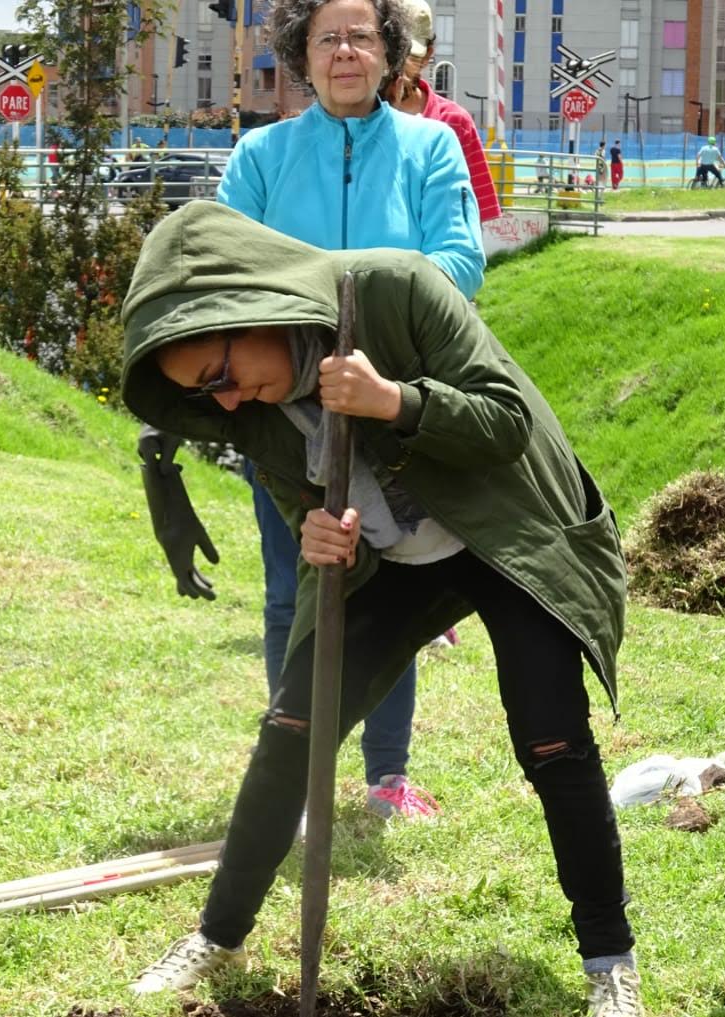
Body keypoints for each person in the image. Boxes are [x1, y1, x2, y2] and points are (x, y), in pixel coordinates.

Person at [122, 201, 644, 1017]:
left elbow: (506, 424)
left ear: (250, 309)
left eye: (217, 375)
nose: (221, 405)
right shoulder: (252, 411)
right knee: (291, 726)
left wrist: (394, 401)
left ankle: (609, 961)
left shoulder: (398, 290)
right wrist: (322, 537)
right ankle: (217, 935)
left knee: (553, 741)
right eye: (199, 396)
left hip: (506, 534)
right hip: (399, 562)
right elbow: (304, 503)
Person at [139, 0, 485, 821]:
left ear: (389, 52)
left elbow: (460, 264)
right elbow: (222, 270)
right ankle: (296, 779)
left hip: (388, 395)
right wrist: (352, 289)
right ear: (302, 52)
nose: (344, 52)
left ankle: (386, 777)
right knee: (293, 591)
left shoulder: (431, 147)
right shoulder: (260, 154)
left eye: (362, 36)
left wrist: (348, 301)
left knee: (391, 589)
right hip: (283, 406)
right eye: (327, 37)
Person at [381, 0, 501, 223]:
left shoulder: (455, 122)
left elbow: (477, 216)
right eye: (390, 55)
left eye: (408, 57)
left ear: (427, 55)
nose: (397, 68)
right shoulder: (353, 116)